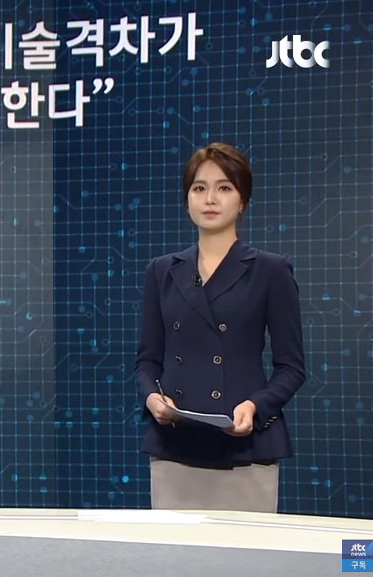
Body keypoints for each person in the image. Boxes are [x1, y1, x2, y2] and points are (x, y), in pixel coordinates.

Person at [135, 142, 305, 512]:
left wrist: (255, 406)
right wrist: (152, 398)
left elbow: (291, 367)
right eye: (199, 188)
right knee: (175, 549)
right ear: (187, 200)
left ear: (242, 200)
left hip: (246, 447)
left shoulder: (270, 271)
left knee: (247, 548)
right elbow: (147, 361)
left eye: (224, 187)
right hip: (175, 445)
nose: (210, 199)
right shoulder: (162, 271)